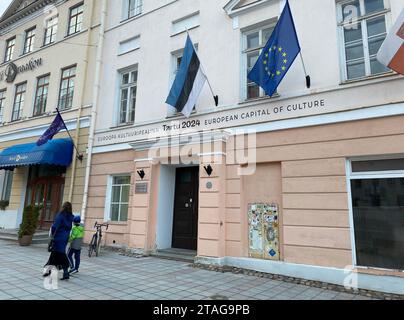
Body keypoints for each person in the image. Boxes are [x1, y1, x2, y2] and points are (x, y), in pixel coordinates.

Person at [43, 202, 74, 280]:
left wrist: (52, 235)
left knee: (59, 254)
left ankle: (64, 272)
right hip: (65, 238)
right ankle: (52, 271)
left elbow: (54, 227)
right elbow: (70, 227)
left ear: (63, 207)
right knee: (55, 254)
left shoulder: (60, 215)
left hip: (58, 238)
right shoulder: (71, 217)